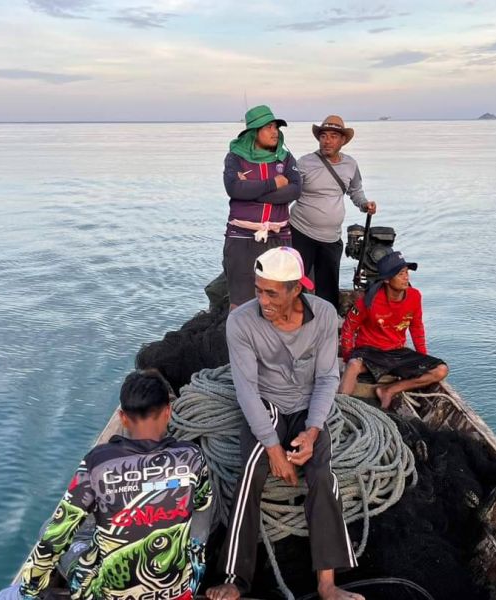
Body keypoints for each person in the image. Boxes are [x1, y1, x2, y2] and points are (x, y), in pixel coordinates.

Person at [206, 247, 362, 600]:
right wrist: (273, 449)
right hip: (266, 405)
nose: (262, 300)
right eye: (258, 290)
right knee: (250, 473)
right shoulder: (241, 322)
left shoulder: (323, 315)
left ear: (296, 290)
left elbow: (326, 379)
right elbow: (245, 389)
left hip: (308, 409)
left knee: (323, 476)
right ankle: (235, 577)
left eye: (271, 292)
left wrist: (312, 431)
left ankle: (327, 583)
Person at [0, 371, 213, 600]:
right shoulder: (192, 457)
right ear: (168, 412)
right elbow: (202, 507)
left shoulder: (98, 462)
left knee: (48, 530)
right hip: (178, 591)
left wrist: (29, 590)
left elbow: (56, 536)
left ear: (122, 417)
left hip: (104, 594)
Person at [339, 251, 448, 408]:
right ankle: (341, 408)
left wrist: (421, 358)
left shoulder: (414, 296)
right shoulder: (369, 300)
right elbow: (348, 328)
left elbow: (417, 327)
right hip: (369, 351)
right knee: (353, 365)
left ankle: (389, 390)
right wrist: (348, 356)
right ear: (387, 280)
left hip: (397, 352)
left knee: (441, 370)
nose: (406, 278)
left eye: (406, 272)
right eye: (400, 274)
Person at [290, 115, 377, 307]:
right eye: (323, 136)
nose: (327, 140)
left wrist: (364, 205)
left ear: (342, 140)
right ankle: (294, 323)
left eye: (333, 136)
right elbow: (290, 191)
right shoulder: (305, 163)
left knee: (328, 286)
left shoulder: (351, 165)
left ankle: (328, 322)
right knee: (295, 282)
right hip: (301, 232)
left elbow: (355, 191)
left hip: (331, 237)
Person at [223, 105, 301, 309]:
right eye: (268, 127)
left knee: (280, 298)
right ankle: (239, 340)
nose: (275, 131)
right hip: (242, 237)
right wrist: (273, 183)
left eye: (276, 126)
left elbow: (295, 191)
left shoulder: (286, 158)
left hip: (279, 236)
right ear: (253, 131)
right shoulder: (235, 157)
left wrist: (250, 192)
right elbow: (233, 188)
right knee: (239, 303)